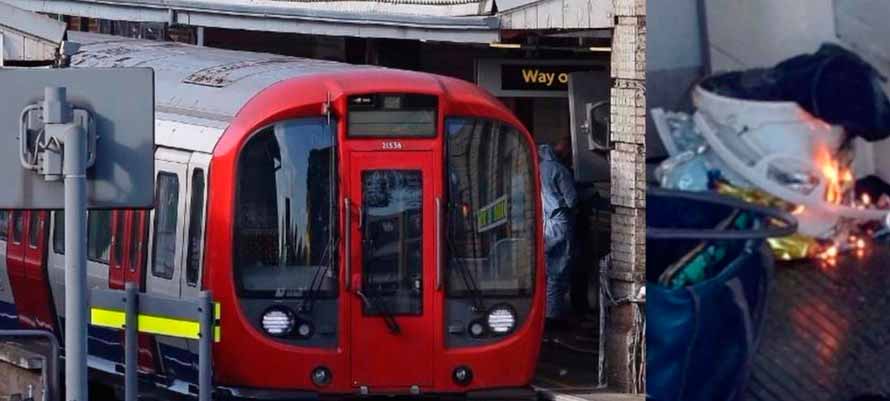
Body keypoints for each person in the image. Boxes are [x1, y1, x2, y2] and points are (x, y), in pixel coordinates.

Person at [539, 138, 578, 328]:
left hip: (544, 223)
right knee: (559, 269)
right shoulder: (559, 170)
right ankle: (553, 316)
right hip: (560, 222)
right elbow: (571, 200)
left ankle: (546, 311)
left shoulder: (538, 167)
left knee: (547, 269)